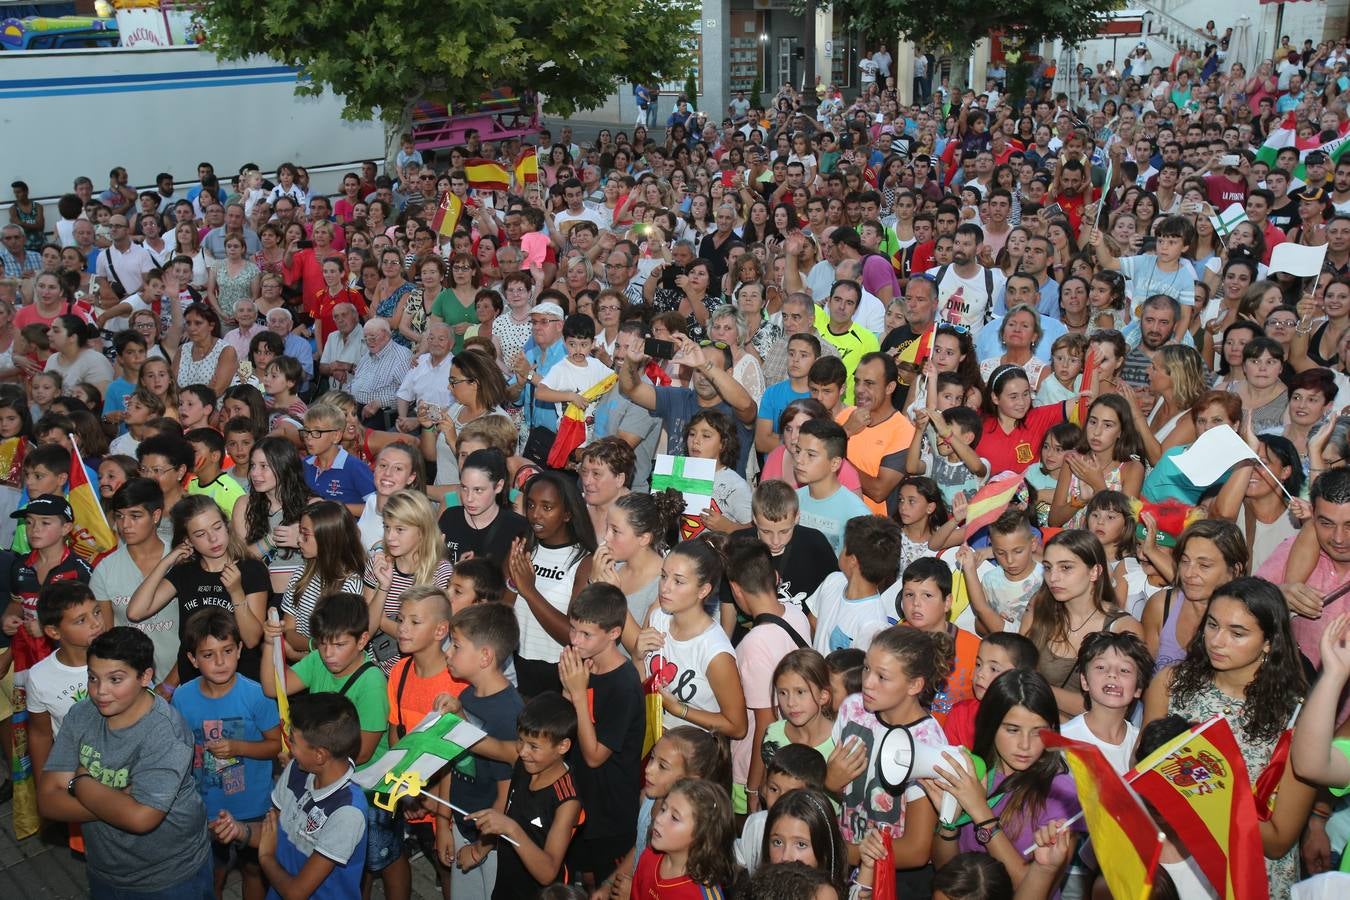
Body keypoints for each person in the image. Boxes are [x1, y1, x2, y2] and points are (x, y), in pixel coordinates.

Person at [1143, 577, 1315, 896]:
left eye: (1237, 633)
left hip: (1250, 876)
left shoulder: (1296, 718)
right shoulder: (1171, 684)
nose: (1217, 641)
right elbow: (1144, 772)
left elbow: (1278, 841)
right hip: (1176, 866)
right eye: (1212, 625)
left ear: (1269, 641)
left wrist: (1206, 796)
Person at [36, 627, 213, 898]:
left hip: (171, 877)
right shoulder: (81, 714)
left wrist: (81, 783)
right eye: (93, 678)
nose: (100, 691)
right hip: (105, 870)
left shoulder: (166, 731)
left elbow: (141, 819)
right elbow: (48, 801)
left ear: (145, 677)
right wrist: (119, 800)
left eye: (115, 679)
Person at [210, 691, 369, 900]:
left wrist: (266, 858)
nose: (287, 746)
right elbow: (273, 832)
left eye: (292, 741)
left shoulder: (347, 812)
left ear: (319, 755)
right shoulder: (297, 769)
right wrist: (239, 830)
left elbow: (296, 893)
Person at [171, 608, 282, 900]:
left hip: (255, 806)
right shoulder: (182, 697)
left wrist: (238, 748)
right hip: (207, 807)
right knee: (212, 876)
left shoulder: (258, 695)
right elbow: (180, 750)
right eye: (208, 655)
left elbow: (275, 745)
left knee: (255, 871)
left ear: (239, 649)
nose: (220, 662)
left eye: (227, 650)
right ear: (193, 659)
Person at [434, 603, 525, 900]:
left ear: (485, 656)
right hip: (463, 824)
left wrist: (481, 848)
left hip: (492, 841)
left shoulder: (508, 715)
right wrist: (443, 821)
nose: (447, 653)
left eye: (456, 646)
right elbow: (452, 761)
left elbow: (506, 796)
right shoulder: (466, 696)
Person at [557, 583, 645, 889]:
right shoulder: (583, 663)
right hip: (582, 798)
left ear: (614, 633)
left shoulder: (624, 685)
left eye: (586, 634)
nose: (575, 641)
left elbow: (595, 756)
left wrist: (578, 694)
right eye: (573, 629)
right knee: (585, 874)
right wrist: (569, 691)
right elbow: (567, 728)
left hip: (610, 810)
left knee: (605, 884)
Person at [466, 692, 584, 899]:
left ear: (563, 746)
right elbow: (486, 745)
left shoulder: (567, 800)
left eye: (533, 746)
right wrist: (456, 716)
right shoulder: (524, 759)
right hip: (506, 885)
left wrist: (511, 828)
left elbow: (548, 873)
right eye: (520, 740)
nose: (522, 751)